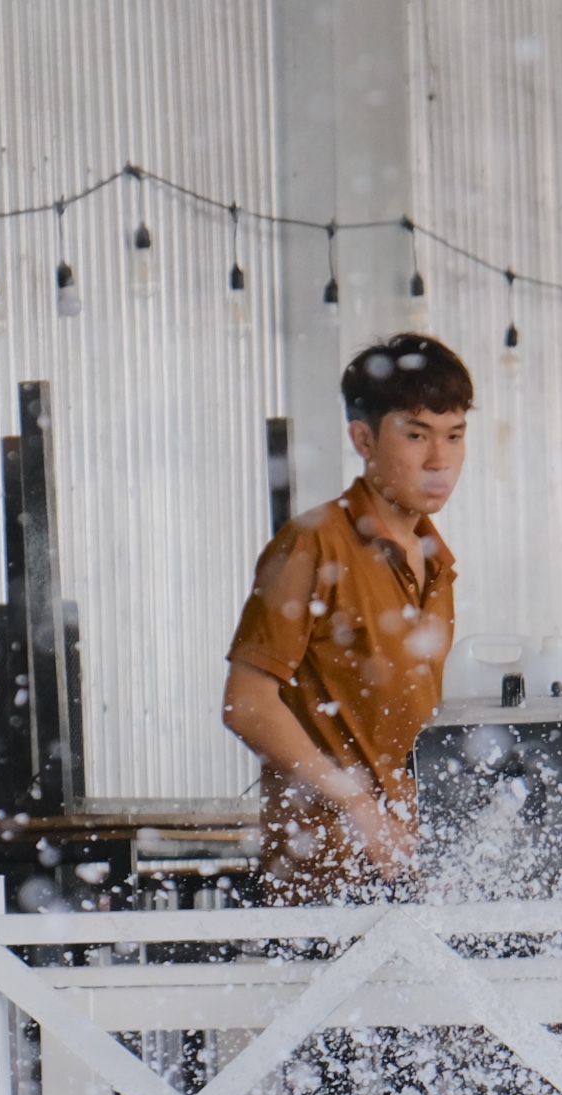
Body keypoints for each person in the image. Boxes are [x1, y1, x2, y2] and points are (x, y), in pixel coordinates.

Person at [222, 334, 471, 902]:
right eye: (416, 435)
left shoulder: (436, 563)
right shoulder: (312, 544)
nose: (440, 459)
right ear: (363, 438)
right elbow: (246, 701)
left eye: (454, 436)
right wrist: (356, 802)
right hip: (325, 877)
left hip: (405, 873)